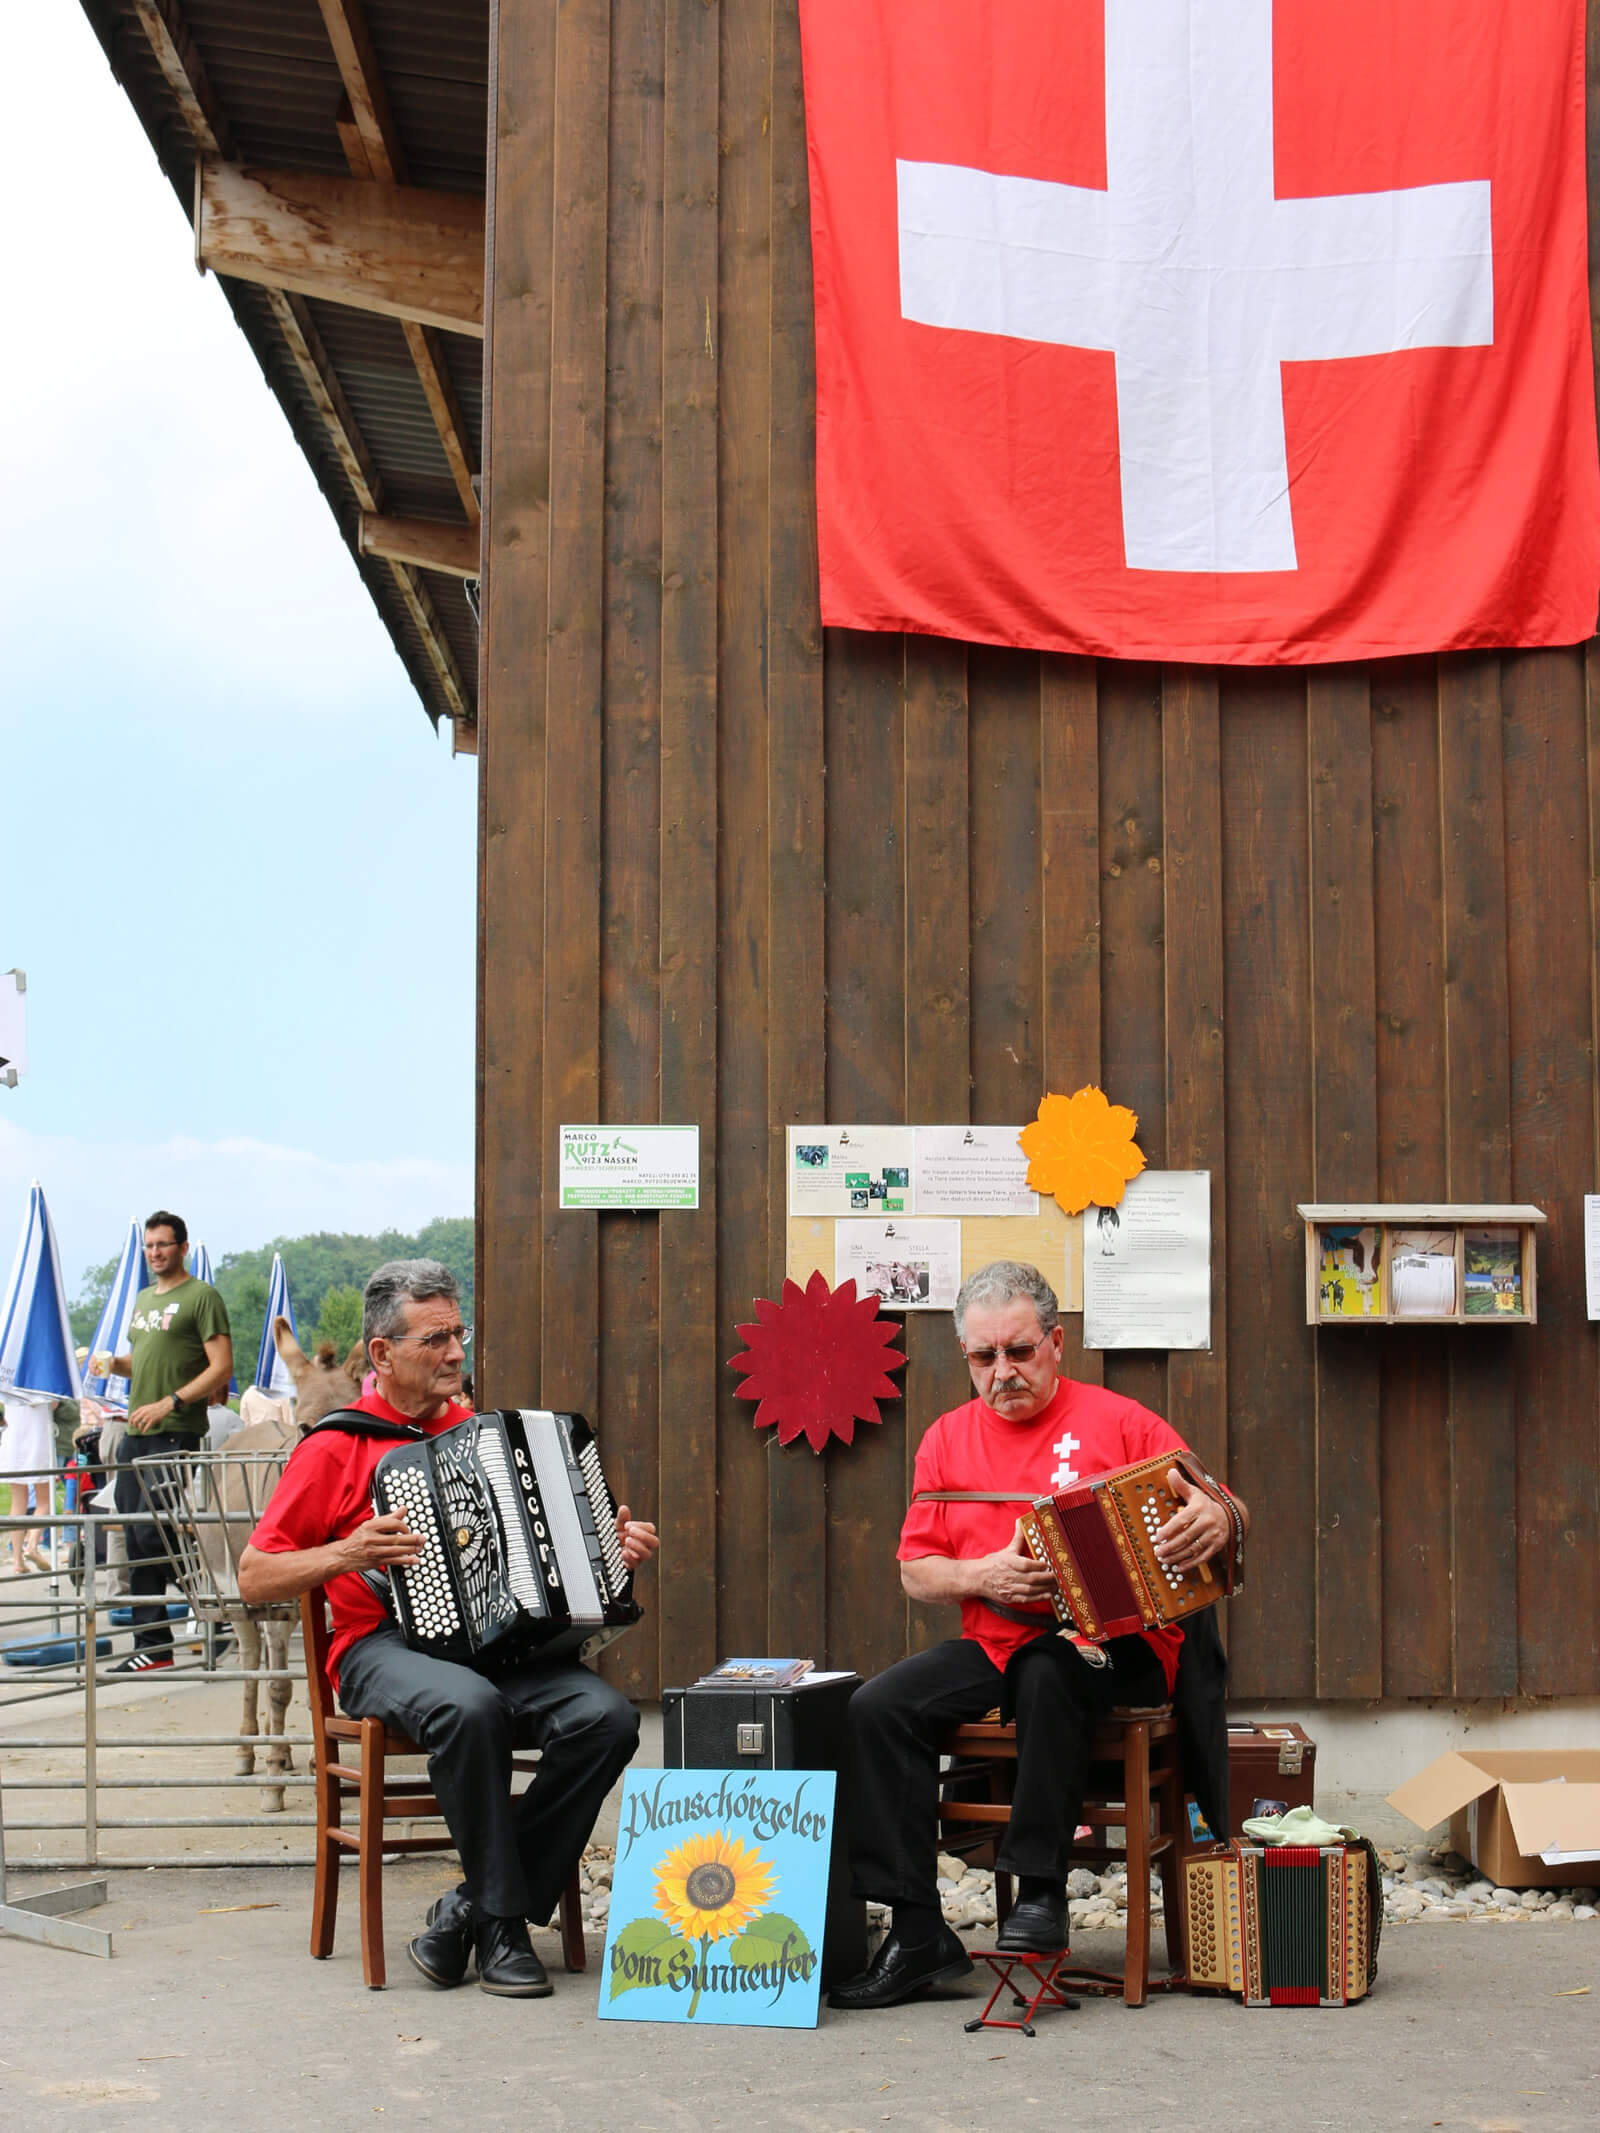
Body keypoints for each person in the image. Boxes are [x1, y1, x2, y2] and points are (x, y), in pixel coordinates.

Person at [827, 1258, 1248, 2011]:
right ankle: (917, 1930)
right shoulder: (945, 1439)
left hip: (1124, 1647)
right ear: (966, 1358)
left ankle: (1041, 1893)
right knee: (876, 1707)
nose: (1003, 1371)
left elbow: (1220, 1503)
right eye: (984, 1357)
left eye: (1019, 1351)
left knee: (1051, 1668)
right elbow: (915, 1570)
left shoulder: (1122, 1421)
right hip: (997, 1639)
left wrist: (1219, 1517)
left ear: (1056, 1343)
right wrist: (981, 1576)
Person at [238, 1258, 659, 2000]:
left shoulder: (479, 1434)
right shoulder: (332, 1447)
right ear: (382, 1353)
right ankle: (501, 1926)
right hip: (377, 1649)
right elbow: (253, 1574)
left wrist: (606, 1545)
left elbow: (542, 1552)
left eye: (458, 1333)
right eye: (436, 1338)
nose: (457, 1352)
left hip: (490, 1647)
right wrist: (348, 1550)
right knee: (469, 1705)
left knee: (607, 1717)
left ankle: (467, 1907)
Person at [91, 1210, 233, 1671]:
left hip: (175, 1427)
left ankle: (222, 1604)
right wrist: (114, 1364)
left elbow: (220, 1367)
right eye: (149, 1246)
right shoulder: (143, 1299)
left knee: (155, 1533)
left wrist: (171, 1402)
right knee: (136, 1536)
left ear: (182, 1248)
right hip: (136, 1430)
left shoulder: (202, 1296)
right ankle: (153, 1648)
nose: (155, 1253)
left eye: (163, 1245)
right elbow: (145, 1360)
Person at [1, 1390, 56, 1575]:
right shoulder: (42, 1378)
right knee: (45, 1499)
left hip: (13, 1438)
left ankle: (18, 1560)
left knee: (18, 1502)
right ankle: (32, 1544)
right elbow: (54, 1403)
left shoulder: (6, 1373)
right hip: (38, 1436)